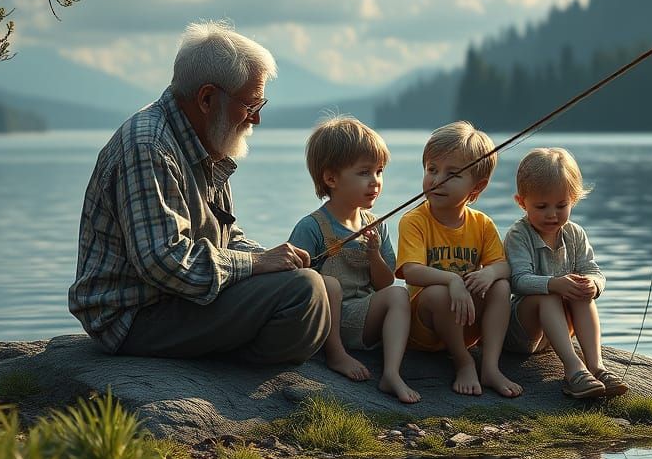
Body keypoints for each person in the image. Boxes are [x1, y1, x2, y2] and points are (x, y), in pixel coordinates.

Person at [68, 21, 330, 363]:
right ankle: (228, 362)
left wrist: (275, 261)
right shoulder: (148, 146)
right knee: (304, 292)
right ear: (207, 98)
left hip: (182, 300)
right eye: (251, 106)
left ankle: (227, 351)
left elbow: (225, 234)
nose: (256, 120)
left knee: (308, 283)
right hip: (134, 318)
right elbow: (163, 261)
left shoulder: (205, 141)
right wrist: (256, 264)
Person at [288, 116, 420, 404]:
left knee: (398, 294)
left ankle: (391, 373)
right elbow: (295, 282)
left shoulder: (376, 225)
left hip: (361, 317)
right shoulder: (312, 226)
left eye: (379, 171)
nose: (375, 182)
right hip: (324, 324)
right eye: (364, 173)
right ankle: (336, 355)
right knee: (330, 285)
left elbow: (385, 283)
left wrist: (374, 253)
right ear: (331, 178)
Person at [396, 121, 522, 398]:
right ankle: (464, 362)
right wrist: (452, 279)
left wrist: (490, 274)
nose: (437, 179)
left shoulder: (481, 224)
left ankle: (489, 367)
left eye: (452, 174)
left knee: (500, 285)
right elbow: (410, 270)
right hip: (426, 328)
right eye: (432, 169)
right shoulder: (415, 220)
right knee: (437, 294)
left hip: (466, 322)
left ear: (476, 188)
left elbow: (503, 266)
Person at [503, 147, 627, 398]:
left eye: (561, 205)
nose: (552, 214)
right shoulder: (519, 234)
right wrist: (554, 284)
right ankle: (573, 370)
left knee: (582, 291)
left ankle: (596, 365)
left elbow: (594, 270)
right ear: (521, 202)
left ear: (573, 199)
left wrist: (593, 284)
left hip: (557, 332)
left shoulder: (575, 233)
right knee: (549, 295)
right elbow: (517, 281)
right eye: (541, 206)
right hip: (523, 331)